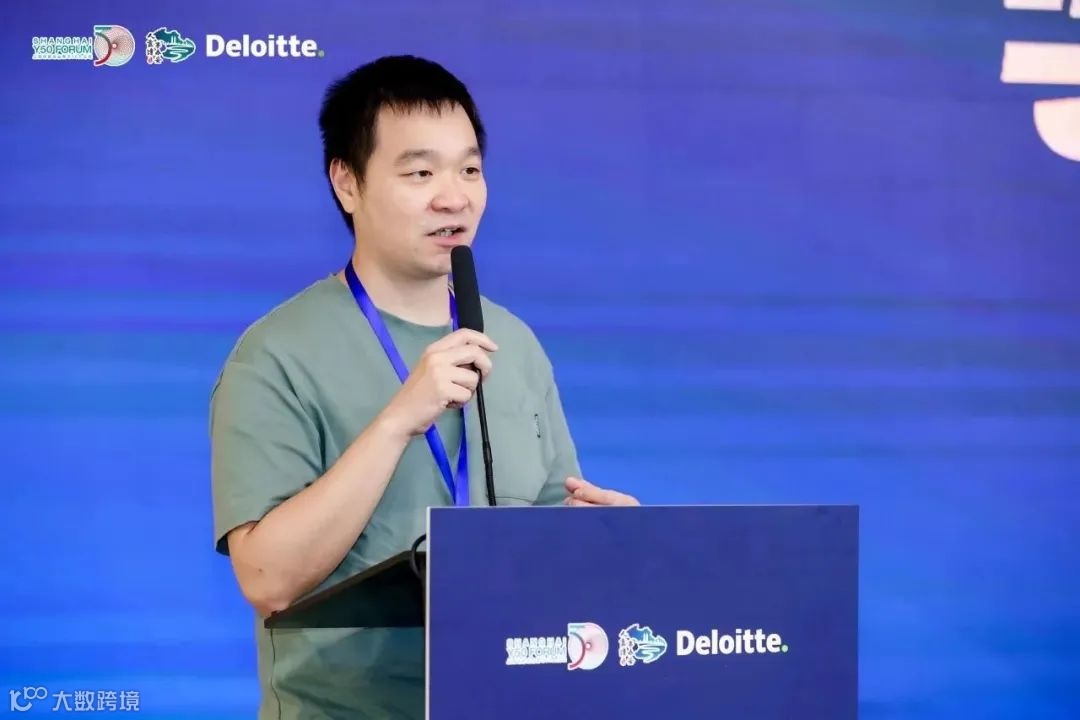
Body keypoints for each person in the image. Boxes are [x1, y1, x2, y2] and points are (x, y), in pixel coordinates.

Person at [208, 55, 638, 719]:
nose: (454, 197)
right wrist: (397, 422)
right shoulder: (275, 354)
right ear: (347, 183)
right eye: (420, 173)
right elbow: (267, 580)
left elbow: (550, 535)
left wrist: (604, 539)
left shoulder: (513, 342)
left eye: (469, 170)